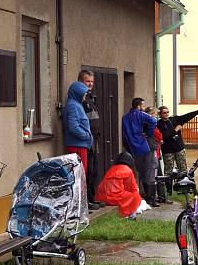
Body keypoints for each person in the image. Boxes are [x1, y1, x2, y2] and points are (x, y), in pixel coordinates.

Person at [157, 106, 198, 193]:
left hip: (179, 148)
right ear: (160, 114)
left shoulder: (174, 120)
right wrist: (175, 130)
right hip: (167, 150)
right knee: (168, 171)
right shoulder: (158, 124)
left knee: (183, 169)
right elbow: (164, 136)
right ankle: (168, 191)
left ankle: (184, 189)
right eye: (164, 113)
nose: (167, 114)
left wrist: (197, 112)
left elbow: (186, 116)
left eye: (167, 112)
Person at [121, 97, 159, 207]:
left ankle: (145, 196)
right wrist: (149, 133)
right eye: (143, 106)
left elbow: (124, 134)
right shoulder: (140, 114)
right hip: (144, 147)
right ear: (138, 106)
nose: (144, 108)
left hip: (133, 149)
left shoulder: (125, 118)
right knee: (150, 172)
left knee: (141, 173)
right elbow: (153, 120)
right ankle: (151, 199)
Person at [95, 152, 144, 219]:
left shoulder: (112, 168)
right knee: (136, 196)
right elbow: (132, 188)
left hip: (102, 197)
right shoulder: (128, 170)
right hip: (115, 197)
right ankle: (132, 216)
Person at [79, 70, 102, 210]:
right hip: (87, 139)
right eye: (88, 81)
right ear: (81, 82)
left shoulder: (90, 98)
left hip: (94, 139)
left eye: (92, 82)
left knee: (94, 170)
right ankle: (87, 200)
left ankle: (93, 198)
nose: (90, 84)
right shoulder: (80, 100)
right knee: (87, 171)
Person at [62, 81, 93, 180]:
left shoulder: (76, 104)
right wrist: (86, 136)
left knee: (80, 173)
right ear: (78, 93)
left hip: (80, 144)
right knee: (79, 175)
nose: (85, 95)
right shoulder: (73, 106)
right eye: (84, 93)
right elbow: (73, 127)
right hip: (77, 145)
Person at [145, 107, 172, 204]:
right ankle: (153, 198)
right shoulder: (150, 125)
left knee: (158, 176)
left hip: (156, 152)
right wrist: (159, 141)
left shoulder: (153, 125)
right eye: (155, 114)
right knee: (153, 176)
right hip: (152, 153)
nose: (156, 116)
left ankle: (161, 197)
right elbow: (157, 136)